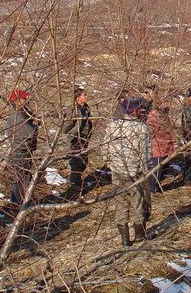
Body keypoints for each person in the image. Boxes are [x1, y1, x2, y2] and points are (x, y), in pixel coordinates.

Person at [102, 97, 153, 246]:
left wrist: (111, 164)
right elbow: (145, 154)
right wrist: (146, 171)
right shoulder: (141, 129)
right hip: (136, 173)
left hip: (117, 171)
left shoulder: (112, 126)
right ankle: (139, 236)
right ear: (135, 111)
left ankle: (125, 240)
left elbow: (105, 149)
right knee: (139, 204)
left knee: (121, 204)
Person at [5, 89, 39, 208]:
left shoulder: (22, 113)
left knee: (25, 178)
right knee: (20, 179)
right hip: (20, 151)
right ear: (17, 101)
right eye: (23, 98)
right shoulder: (17, 116)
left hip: (24, 150)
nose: (25, 100)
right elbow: (29, 133)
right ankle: (16, 204)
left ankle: (22, 202)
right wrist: (35, 126)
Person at [62, 87, 93, 196]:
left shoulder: (85, 108)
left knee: (83, 160)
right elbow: (66, 127)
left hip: (84, 138)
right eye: (84, 95)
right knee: (76, 161)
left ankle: (78, 181)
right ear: (78, 98)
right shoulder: (73, 110)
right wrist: (73, 135)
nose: (86, 97)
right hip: (76, 139)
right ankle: (74, 186)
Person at [146, 100, 176, 193]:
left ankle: (157, 186)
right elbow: (150, 131)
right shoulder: (154, 116)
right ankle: (153, 189)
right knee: (157, 169)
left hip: (166, 146)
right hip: (158, 147)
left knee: (163, 168)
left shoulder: (164, 116)